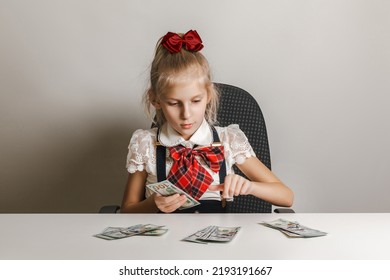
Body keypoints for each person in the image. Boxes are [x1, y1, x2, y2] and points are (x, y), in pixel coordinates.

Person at [121, 30, 293, 213]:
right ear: (156, 100)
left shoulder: (229, 141)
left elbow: (286, 196)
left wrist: (249, 186)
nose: (186, 114)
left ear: (209, 95)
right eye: (173, 103)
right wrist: (152, 204)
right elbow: (126, 211)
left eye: (196, 101)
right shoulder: (145, 145)